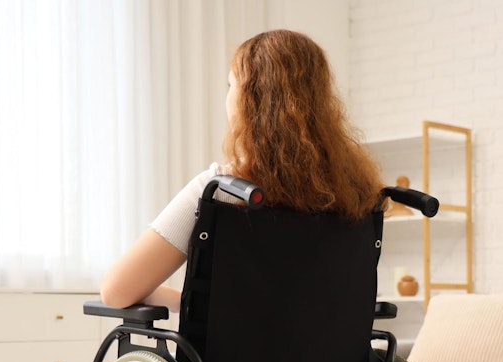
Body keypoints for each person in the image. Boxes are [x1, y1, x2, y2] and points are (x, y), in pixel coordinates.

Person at [99, 29, 385, 310]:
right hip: (330, 359)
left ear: (249, 99)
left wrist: (193, 304)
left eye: (230, 86)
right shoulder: (359, 198)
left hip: (229, 358)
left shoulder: (219, 191)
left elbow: (116, 291)